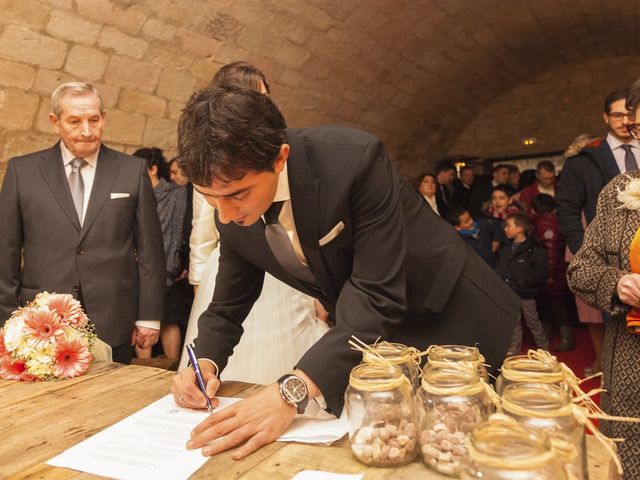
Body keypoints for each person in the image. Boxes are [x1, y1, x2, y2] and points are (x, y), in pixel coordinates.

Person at [172, 86, 520, 459]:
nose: (224, 215)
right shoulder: (229, 208)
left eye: (237, 195)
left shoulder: (354, 161)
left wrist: (291, 390)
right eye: (210, 197)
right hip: (372, 343)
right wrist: (203, 360)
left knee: (469, 451)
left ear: (279, 159)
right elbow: (228, 304)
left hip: (452, 317)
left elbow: (376, 295)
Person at [179, 61, 328, 380]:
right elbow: (204, 236)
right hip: (236, 263)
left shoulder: (282, 159)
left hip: (289, 274)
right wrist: (199, 287)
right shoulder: (211, 170)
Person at [0, 82, 165, 364]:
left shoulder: (131, 170)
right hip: (41, 322)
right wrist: (6, 320)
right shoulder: (22, 171)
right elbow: (6, 252)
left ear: (104, 118)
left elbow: (150, 249)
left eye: (94, 120)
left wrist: (149, 315)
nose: (86, 131)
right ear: (55, 122)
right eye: (75, 121)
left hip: (114, 316)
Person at [567, 81, 640, 477]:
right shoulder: (619, 192)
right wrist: (617, 284)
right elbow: (581, 269)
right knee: (625, 462)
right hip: (629, 367)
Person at [558, 89, 639, 374]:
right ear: (606, 118)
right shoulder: (584, 161)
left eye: (630, 115)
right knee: (608, 323)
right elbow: (567, 210)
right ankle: (609, 366)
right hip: (604, 257)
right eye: (617, 114)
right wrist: (586, 251)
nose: (625, 121)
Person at [134, 147, 187, 360]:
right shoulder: (135, 194)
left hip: (168, 265)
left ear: (153, 169)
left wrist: (176, 263)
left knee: (169, 319)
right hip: (138, 267)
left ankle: (172, 367)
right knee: (140, 319)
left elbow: (179, 228)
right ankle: (141, 370)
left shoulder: (176, 193)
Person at [495, 212, 549, 355]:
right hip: (509, 291)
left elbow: (541, 269)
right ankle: (514, 348)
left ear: (520, 228)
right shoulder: (505, 249)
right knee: (514, 321)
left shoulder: (534, 247)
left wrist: (527, 282)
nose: (505, 229)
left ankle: (543, 346)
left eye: (509, 226)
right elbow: (500, 268)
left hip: (525, 291)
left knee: (532, 320)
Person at [532, 194, 572, 352]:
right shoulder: (552, 220)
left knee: (555, 305)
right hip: (555, 270)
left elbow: (551, 251)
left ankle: (567, 339)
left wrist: (548, 274)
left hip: (552, 272)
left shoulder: (546, 223)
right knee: (548, 304)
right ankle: (545, 338)